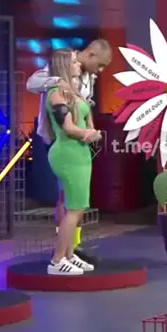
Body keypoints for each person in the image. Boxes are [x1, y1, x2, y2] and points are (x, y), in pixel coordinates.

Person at [26, 40, 111, 264]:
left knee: (75, 201)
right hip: (61, 142)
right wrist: (59, 81)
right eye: (100, 65)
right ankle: (61, 253)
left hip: (78, 144)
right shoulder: (58, 71)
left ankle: (71, 249)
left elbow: (83, 109)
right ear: (90, 55)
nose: (100, 71)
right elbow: (32, 84)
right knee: (69, 202)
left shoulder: (86, 79)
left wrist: (89, 127)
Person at [45, 50, 102, 275]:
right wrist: (87, 134)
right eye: (75, 62)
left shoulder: (74, 92)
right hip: (67, 154)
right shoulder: (56, 93)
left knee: (77, 208)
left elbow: (86, 119)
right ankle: (57, 260)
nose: (79, 65)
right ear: (63, 65)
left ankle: (69, 255)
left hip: (80, 153)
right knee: (74, 209)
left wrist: (91, 131)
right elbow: (68, 128)